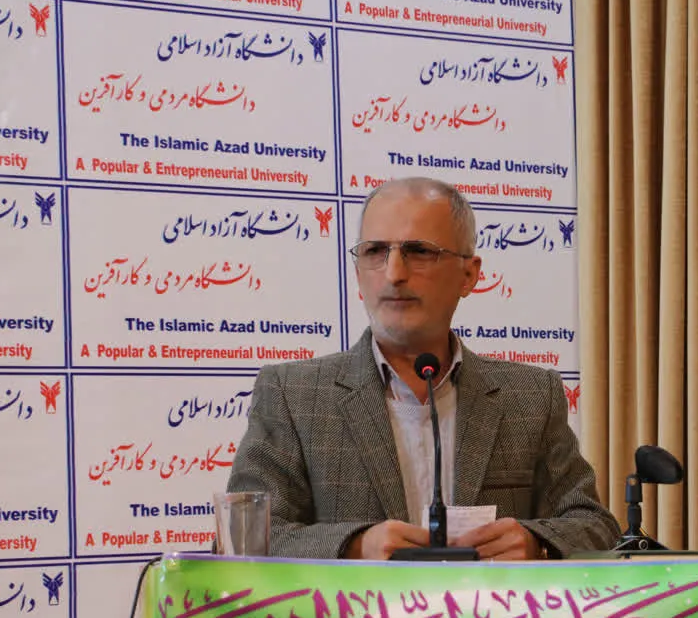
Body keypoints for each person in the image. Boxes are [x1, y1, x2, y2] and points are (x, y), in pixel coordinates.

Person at [226, 177, 619, 560]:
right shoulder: (293, 395)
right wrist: (352, 547)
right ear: (358, 273)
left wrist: (538, 543)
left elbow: (595, 525)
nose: (394, 273)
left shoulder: (531, 397)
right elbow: (242, 540)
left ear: (469, 275)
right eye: (375, 251)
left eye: (418, 251)